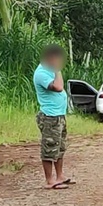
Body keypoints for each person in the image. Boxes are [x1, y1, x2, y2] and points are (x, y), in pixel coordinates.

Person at [33, 44, 75, 189]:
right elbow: (58, 87)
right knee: (49, 148)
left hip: (59, 115)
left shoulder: (50, 70)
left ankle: (60, 175)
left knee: (59, 147)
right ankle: (50, 180)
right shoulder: (41, 73)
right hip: (50, 116)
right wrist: (57, 70)